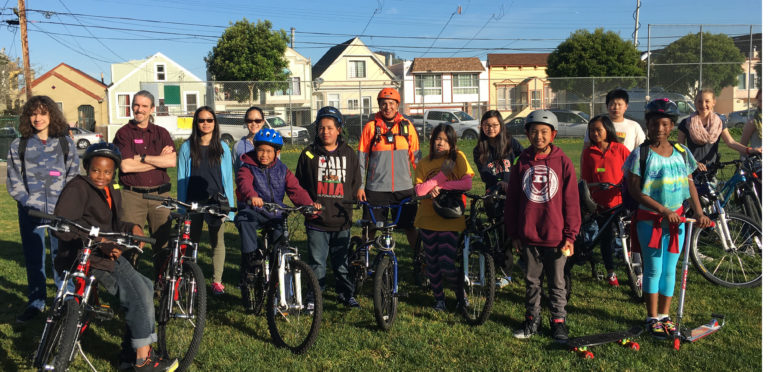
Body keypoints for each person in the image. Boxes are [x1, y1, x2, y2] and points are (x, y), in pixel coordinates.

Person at [53, 143, 179, 371]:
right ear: (87, 167)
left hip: (105, 253)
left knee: (147, 285)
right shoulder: (78, 188)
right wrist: (102, 242)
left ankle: (129, 355)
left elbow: (113, 224)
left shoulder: (111, 191)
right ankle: (143, 360)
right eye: (96, 170)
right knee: (138, 292)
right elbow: (63, 226)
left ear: (114, 173)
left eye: (108, 172)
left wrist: (132, 227)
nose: (101, 176)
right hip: (84, 256)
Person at [624, 98, 710, 339]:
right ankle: (652, 317)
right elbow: (635, 190)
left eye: (664, 124)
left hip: (678, 223)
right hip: (651, 222)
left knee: (670, 269)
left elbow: (690, 183)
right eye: (654, 124)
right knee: (653, 269)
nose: (659, 129)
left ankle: (665, 315)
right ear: (647, 125)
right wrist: (663, 211)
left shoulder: (682, 153)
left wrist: (699, 212)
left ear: (672, 126)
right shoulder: (640, 154)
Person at [505, 109, 580, 341]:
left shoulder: (563, 162)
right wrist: (514, 233)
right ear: (527, 134)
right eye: (534, 132)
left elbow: (571, 202)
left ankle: (558, 321)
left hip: (556, 236)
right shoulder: (521, 162)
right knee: (531, 281)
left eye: (544, 132)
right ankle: (532, 319)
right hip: (528, 235)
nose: (539, 136)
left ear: (553, 134)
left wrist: (571, 235)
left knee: (557, 283)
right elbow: (513, 201)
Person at [6, 95, 79, 323]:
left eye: (43, 113)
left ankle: (64, 301)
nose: (38, 118)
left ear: (51, 115)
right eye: (33, 114)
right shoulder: (20, 145)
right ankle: (36, 303)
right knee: (34, 259)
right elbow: (14, 181)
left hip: (61, 213)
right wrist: (29, 202)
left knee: (62, 258)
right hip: (32, 213)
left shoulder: (65, 143)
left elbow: (74, 177)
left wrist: (66, 206)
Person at [234, 129, 321, 307]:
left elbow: (295, 190)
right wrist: (251, 196)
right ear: (254, 149)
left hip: (275, 214)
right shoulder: (247, 165)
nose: (264, 155)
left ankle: (276, 281)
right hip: (253, 210)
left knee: (280, 245)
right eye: (260, 150)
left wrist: (310, 206)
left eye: (269, 151)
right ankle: (251, 260)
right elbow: (244, 183)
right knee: (245, 222)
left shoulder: (282, 170)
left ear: (277, 153)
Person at [295, 107, 362, 308]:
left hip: (341, 220)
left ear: (339, 129)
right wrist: (308, 204)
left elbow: (355, 181)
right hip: (317, 221)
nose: (326, 132)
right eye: (322, 128)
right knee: (317, 264)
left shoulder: (349, 153)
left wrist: (356, 193)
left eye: (330, 127)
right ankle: (314, 296)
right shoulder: (308, 153)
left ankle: (346, 294)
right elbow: (298, 185)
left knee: (341, 264)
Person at [357, 88, 421, 283]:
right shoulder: (370, 127)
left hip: (404, 189)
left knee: (410, 228)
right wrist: (360, 185)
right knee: (371, 227)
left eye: (392, 103)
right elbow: (361, 158)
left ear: (397, 105)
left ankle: (421, 263)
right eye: (384, 103)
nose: (388, 107)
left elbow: (417, 159)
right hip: (376, 189)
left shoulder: (407, 126)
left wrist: (420, 186)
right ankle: (363, 261)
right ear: (379, 105)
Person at [112, 90, 176, 275]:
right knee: (131, 243)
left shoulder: (161, 133)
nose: (139, 109)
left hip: (160, 196)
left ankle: (162, 287)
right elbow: (125, 166)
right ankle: (130, 291)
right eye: (136, 105)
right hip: (132, 196)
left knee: (163, 244)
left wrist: (143, 158)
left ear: (152, 109)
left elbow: (171, 161)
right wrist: (157, 161)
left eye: (144, 106)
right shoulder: (123, 133)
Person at [414, 124, 473, 311]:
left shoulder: (458, 158)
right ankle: (439, 299)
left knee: (447, 264)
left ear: (452, 143)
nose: (440, 143)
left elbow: (467, 183)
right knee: (432, 264)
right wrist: (441, 176)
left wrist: (442, 187)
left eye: (445, 140)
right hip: (427, 219)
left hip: (450, 219)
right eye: (437, 139)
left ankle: (461, 297)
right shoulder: (424, 163)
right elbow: (419, 190)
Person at [177, 106, 235, 295]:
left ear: (215, 123)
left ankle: (217, 281)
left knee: (217, 242)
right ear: (196, 123)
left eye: (210, 120)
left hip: (216, 202)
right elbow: (181, 179)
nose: (206, 123)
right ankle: (190, 278)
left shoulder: (222, 147)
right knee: (191, 242)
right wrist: (182, 207)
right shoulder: (187, 147)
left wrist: (230, 209)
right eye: (202, 120)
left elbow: (227, 179)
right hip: (193, 202)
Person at [472, 109, 523, 287]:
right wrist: (499, 183)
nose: (491, 128)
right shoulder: (479, 149)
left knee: (520, 229)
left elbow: (523, 159)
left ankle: (524, 261)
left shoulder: (510, 142)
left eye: (494, 125)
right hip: (494, 195)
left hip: (514, 194)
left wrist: (514, 179)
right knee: (502, 233)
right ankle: (505, 272)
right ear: (482, 127)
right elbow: (485, 173)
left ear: (501, 126)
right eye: (487, 125)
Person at [580, 115, 630, 287]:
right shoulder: (588, 153)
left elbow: (632, 171)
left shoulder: (620, 149)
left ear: (607, 130)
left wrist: (626, 184)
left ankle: (635, 269)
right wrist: (596, 186)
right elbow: (585, 181)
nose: (595, 133)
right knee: (606, 239)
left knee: (629, 236)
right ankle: (611, 273)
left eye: (598, 130)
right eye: (592, 130)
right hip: (601, 206)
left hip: (622, 203)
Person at [677, 88, 760, 172]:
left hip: (711, 170)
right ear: (695, 103)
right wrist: (694, 163)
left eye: (707, 101)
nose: (703, 104)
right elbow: (680, 149)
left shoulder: (719, 123)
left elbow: (731, 142)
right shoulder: (685, 123)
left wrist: (750, 150)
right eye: (699, 101)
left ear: (714, 102)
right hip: (691, 170)